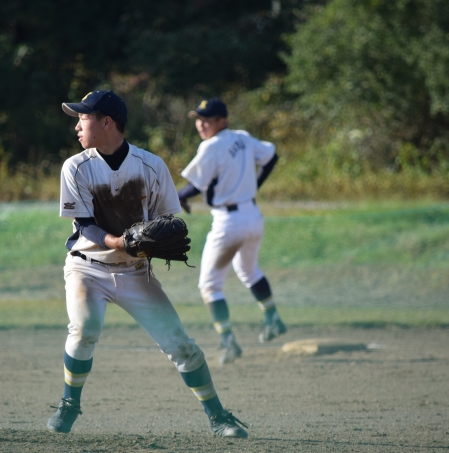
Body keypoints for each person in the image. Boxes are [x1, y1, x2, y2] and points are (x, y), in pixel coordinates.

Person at [48, 90, 248, 438]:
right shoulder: (76, 166)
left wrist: (156, 240)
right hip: (87, 267)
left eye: (83, 118)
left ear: (106, 122)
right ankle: (69, 404)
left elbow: (169, 222)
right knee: (84, 328)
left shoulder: (151, 166)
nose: (77, 127)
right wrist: (118, 241)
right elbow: (85, 225)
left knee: (180, 345)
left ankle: (218, 417)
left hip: (135, 271)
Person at [177, 98, 287, 365]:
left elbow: (195, 186)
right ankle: (272, 317)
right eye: (198, 119)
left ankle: (227, 340)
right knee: (249, 271)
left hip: (228, 224)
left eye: (207, 119)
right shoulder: (243, 137)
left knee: (210, 285)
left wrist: (177, 197)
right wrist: (255, 184)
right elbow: (271, 156)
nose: (201, 124)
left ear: (222, 121)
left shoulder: (211, 145)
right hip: (253, 217)